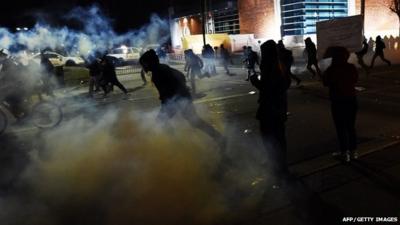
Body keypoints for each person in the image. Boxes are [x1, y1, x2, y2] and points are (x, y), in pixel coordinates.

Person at [139, 49, 225, 147]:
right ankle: (218, 137)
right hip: (182, 97)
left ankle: (175, 144)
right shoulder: (163, 68)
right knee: (194, 121)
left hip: (178, 99)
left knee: (163, 121)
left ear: (150, 62)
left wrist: (170, 101)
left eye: (144, 63)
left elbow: (166, 93)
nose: (144, 66)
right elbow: (180, 76)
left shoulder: (157, 73)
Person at [250, 40, 291, 187]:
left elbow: (269, 90)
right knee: (279, 139)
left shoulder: (270, 68)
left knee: (270, 139)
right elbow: (283, 87)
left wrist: (255, 82)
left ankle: (277, 170)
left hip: (270, 110)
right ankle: (281, 167)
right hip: (278, 109)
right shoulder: (280, 66)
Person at [322, 46, 358, 162]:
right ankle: (353, 152)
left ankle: (344, 152)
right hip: (351, 100)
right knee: (350, 127)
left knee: (341, 128)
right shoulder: (351, 68)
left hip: (338, 101)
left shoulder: (332, 70)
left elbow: (325, 82)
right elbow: (355, 79)